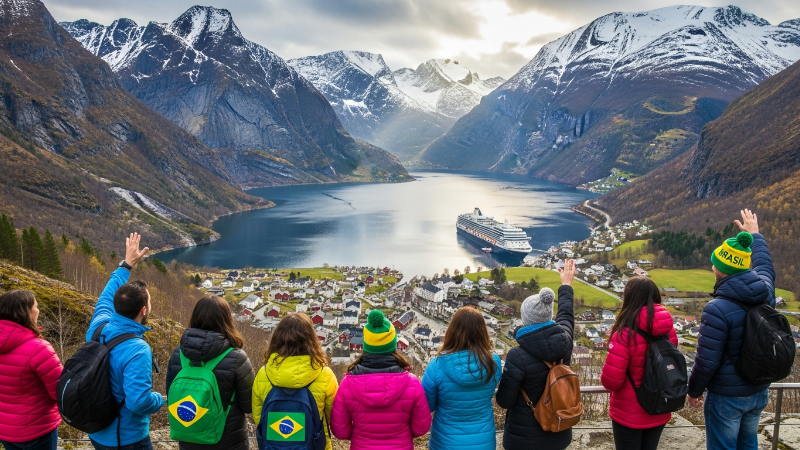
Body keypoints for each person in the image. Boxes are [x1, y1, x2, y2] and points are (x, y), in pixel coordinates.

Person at [687, 209, 776, 450]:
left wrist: (694, 391)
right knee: (748, 445)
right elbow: (766, 267)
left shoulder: (717, 308)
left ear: (720, 269)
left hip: (727, 395)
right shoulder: (765, 292)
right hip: (759, 390)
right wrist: (755, 236)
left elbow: (706, 360)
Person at [86, 233, 164, 450]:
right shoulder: (137, 350)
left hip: (97, 431)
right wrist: (159, 399)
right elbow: (138, 402)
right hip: (127, 438)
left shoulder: (98, 326)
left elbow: (106, 296)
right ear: (143, 311)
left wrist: (126, 265)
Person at [496, 259, 576, 450]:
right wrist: (566, 285)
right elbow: (566, 315)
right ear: (549, 316)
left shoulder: (517, 355)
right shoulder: (565, 341)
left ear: (525, 319)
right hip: (559, 430)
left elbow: (504, 401)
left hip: (523, 440)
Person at [331, 310, 431, 450]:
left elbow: (340, 431)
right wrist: (402, 435)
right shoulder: (411, 383)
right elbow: (421, 427)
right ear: (393, 344)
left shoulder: (348, 384)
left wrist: (361, 435)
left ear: (366, 345)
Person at [166, 296, 255, 450]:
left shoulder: (178, 354)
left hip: (189, 437)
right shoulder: (237, 357)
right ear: (226, 320)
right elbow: (248, 405)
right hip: (228, 441)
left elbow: (171, 393)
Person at [600, 277, 678, 450]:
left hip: (629, 414)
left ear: (630, 298)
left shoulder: (624, 334)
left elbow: (611, 381)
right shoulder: (669, 330)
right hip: (660, 406)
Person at [252, 313, 338, 450]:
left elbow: (259, 418)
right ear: (311, 340)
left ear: (276, 339)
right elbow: (334, 421)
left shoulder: (264, 374)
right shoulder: (324, 375)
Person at [422, 307, 502, 450]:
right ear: (482, 332)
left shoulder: (437, 366)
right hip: (483, 441)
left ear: (452, 331)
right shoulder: (493, 363)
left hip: (445, 442)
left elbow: (427, 405)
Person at [0, 290, 63, 450]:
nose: (38, 310)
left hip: (5, 430)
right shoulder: (38, 348)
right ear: (26, 312)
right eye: (36, 306)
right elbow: (60, 391)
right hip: (36, 430)